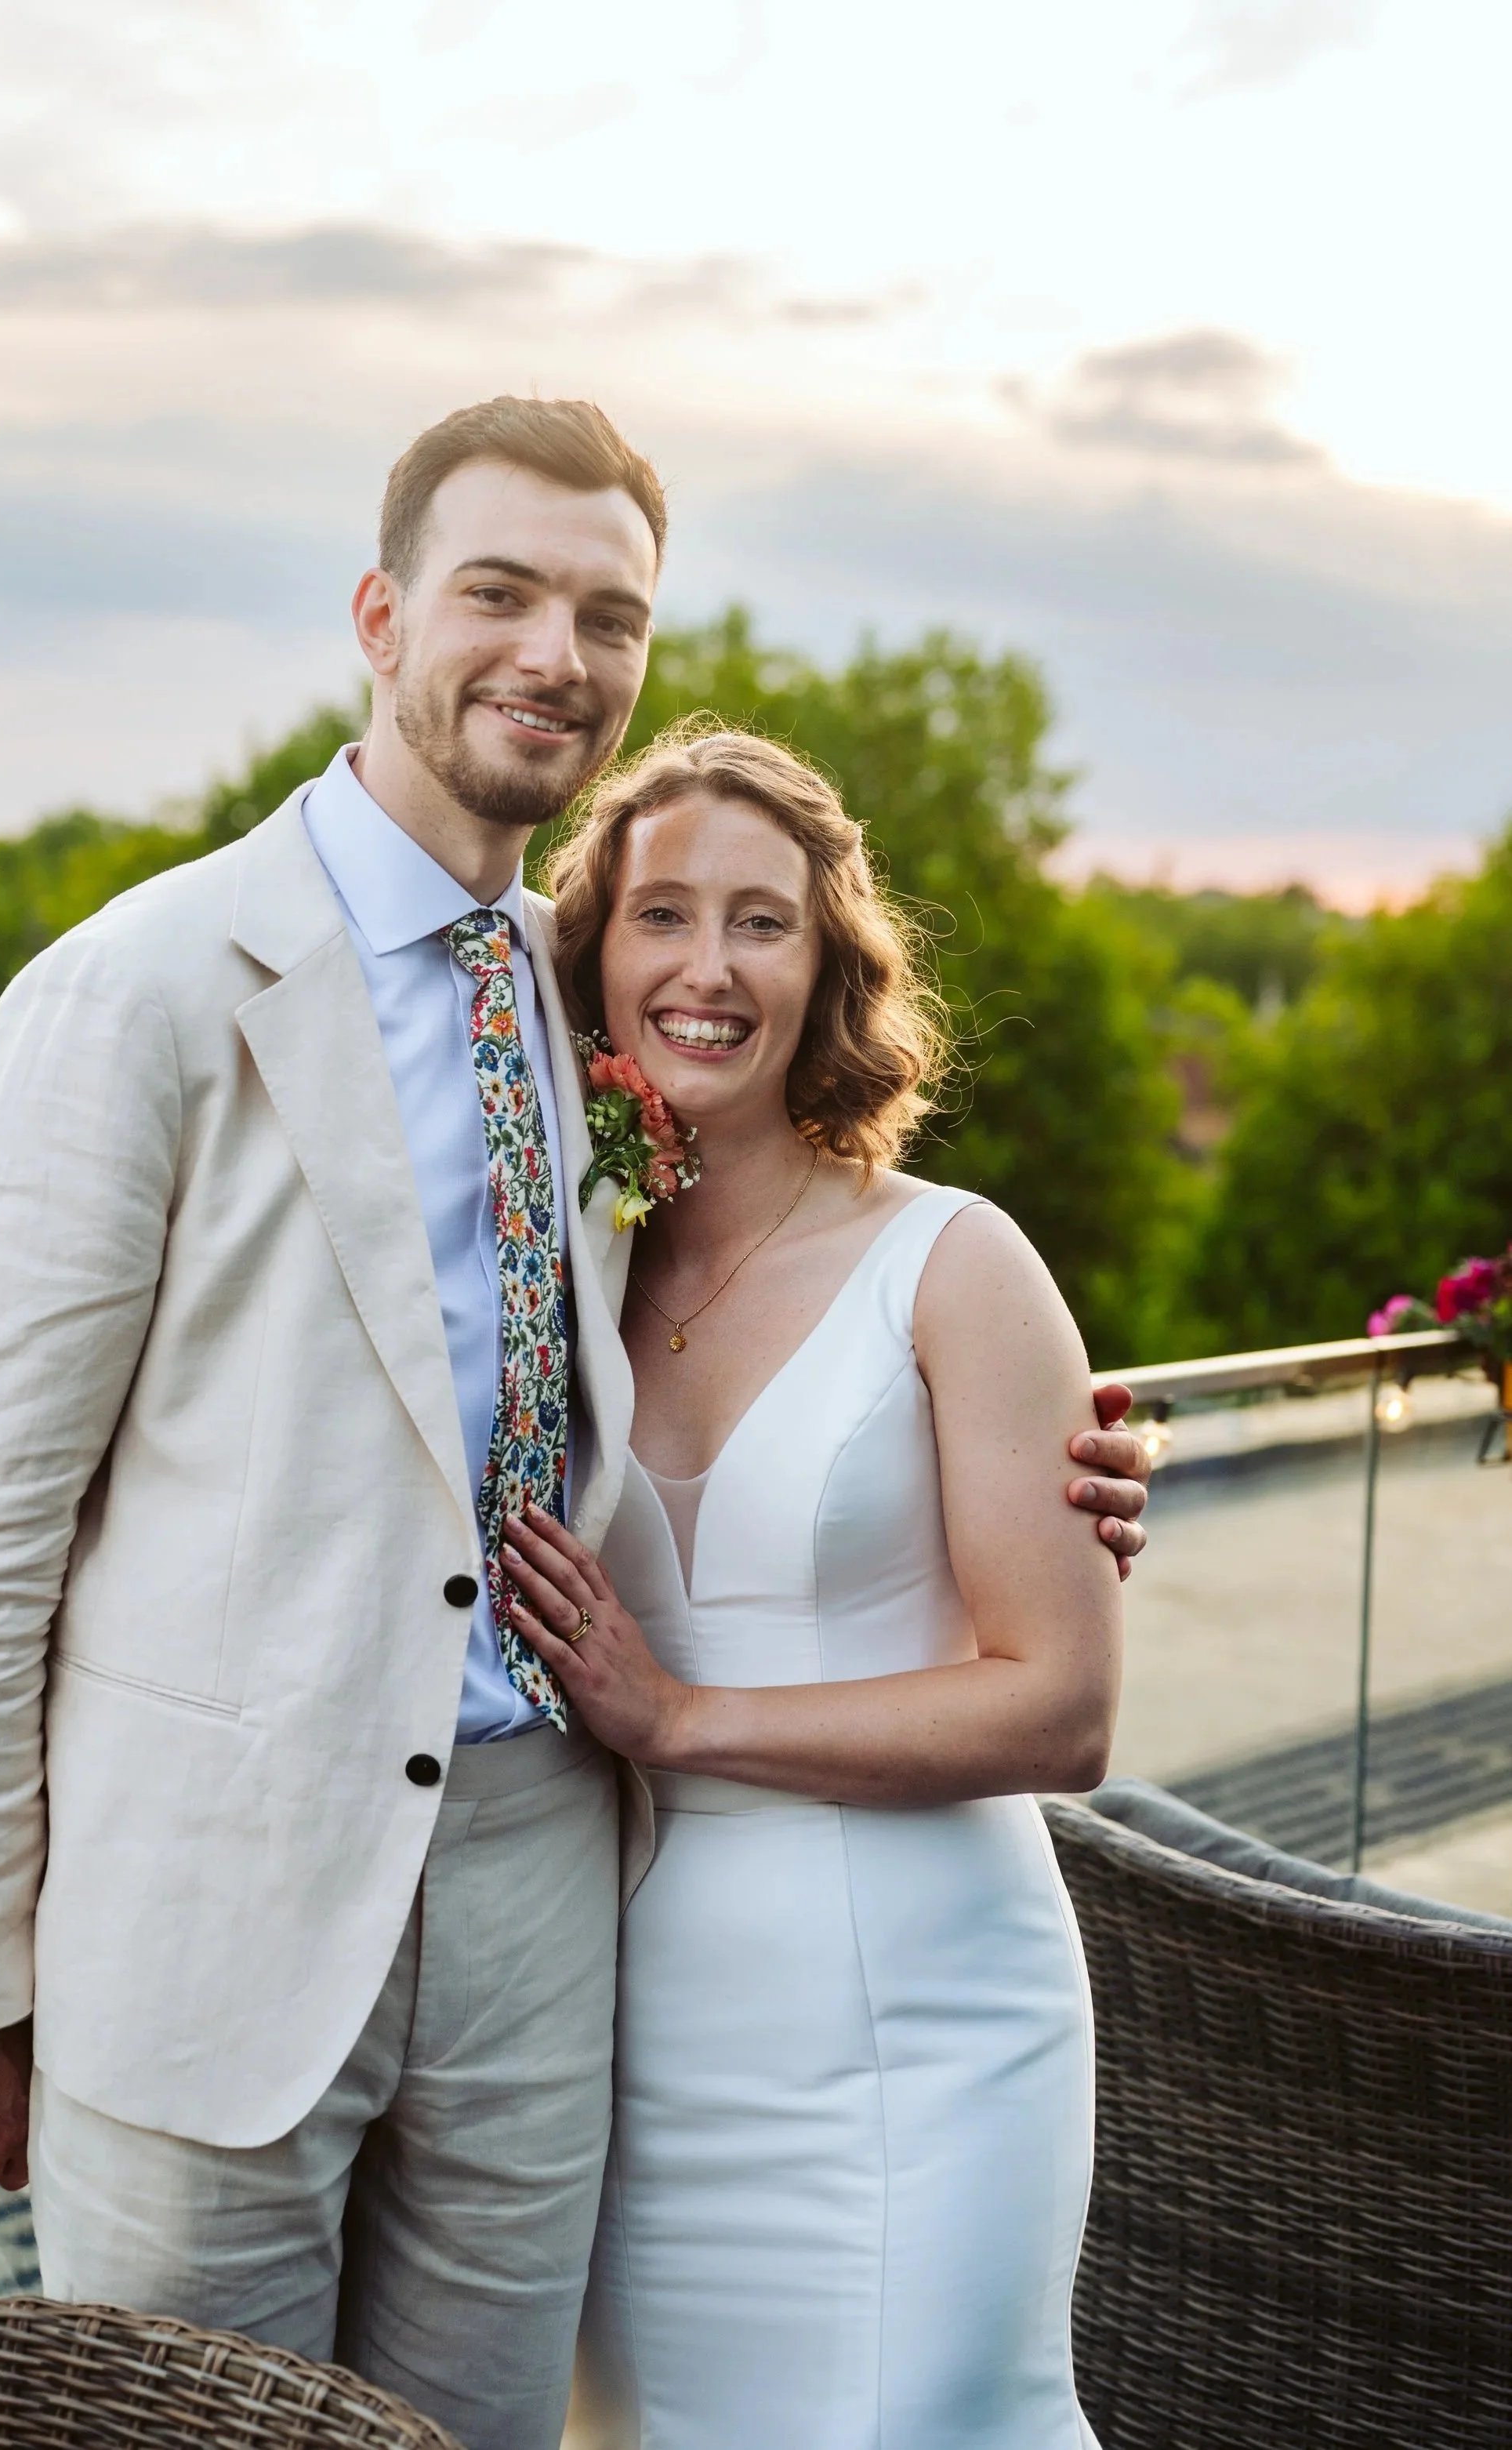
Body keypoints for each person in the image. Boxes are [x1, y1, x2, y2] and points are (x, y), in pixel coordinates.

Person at [0, 399, 1149, 2450]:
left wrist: (1024, 1472)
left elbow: (743, 1358)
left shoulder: (590, 1012)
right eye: (500, 591)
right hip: (213, 1917)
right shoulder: (145, 989)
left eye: (606, 613)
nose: (555, 650)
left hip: (550, 1895)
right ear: (380, 616)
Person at [499, 723, 1117, 2449]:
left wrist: (678, 1711)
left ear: (827, 966)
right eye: (661, 916)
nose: (706, 967)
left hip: (925, 2022)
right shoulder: (558, 1276)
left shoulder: (951, 1257)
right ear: (592, 958)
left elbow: (1061, 1706)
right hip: (627, 2035)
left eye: (759, 921)